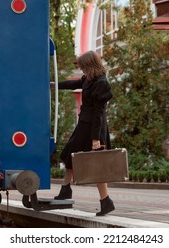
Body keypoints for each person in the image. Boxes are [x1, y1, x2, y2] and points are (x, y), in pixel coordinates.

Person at [52, 50, 115, 216]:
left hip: (94, 128)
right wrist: (55, 84)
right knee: (69, 156)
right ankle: (66, 190)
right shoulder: (89, 78)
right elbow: (74, 84)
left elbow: (98, 114)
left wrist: (95, 139)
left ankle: (105, 201)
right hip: (84, 125)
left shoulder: (101, 83)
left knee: (96, 164)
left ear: (89, 65)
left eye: (82, 66)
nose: (81, 69)